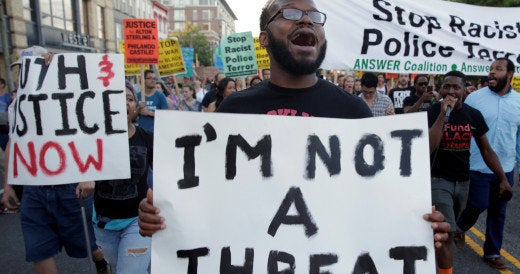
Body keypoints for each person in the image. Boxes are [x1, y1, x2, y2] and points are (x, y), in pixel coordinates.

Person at [138, 0, 450, 249]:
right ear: (264, 38)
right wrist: (164, 216)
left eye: (315, 16)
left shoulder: (352, 112)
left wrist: (416, 225)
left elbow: (377, 197)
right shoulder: (234, 110)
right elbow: (202, 195)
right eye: (290, 13)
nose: (306, 20)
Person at [1, 46, 112, 274]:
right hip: (34, 187)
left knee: (86, 242)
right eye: (22, 69)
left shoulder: (74, 97)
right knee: (38, 247)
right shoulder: (19, 105)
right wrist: (8, 184)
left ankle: (101, 264)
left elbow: (93, 136)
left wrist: (89, 175)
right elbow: (15, 145)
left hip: (70, 185)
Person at [428, 70, 512, 274]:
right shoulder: (434, 111)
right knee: (445, 234)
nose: (451, 92)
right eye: (447, 87)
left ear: (465, 89)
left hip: (462, 182)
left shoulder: (473, 115)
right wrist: (443, 114)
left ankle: (450, 235)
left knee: (448, 229)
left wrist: (503, 179)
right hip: (437, 180)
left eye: (456, 88)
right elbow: (430, 145)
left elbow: (486, 150)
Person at [455, 58, 520, 269]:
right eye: (490, 69)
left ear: (510, 75)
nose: (491, 73)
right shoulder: (474, 99)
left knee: (499, 212)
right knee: (478, 203)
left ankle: (492, 252)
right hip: (476, 165)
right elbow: (460, 129)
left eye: (497, 69)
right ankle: (460, 227)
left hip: (506, 168)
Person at [93, 81, 153, 274]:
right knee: (128, 272)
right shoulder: (92, 138)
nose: (124, 103)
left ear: (135, 105)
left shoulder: (147, 138)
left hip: (137, 224)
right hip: (104, 224)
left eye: (129, 98)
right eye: (116, 98)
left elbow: (171, 172)